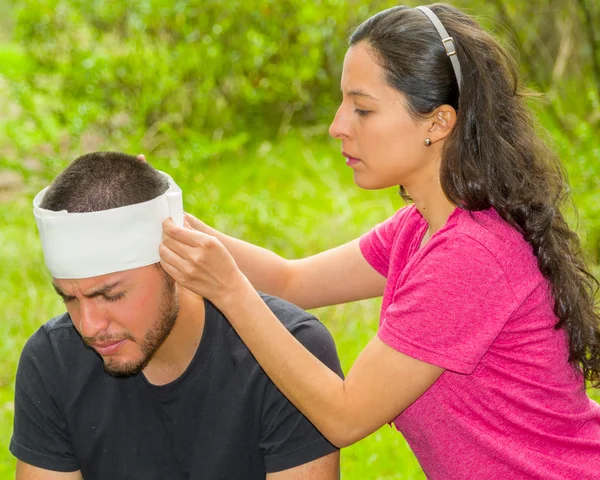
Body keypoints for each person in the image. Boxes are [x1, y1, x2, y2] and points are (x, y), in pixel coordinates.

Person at [158, 4, 600, 479]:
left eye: (362, 108)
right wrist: (164, 216)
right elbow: (291, 280)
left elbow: (344, 415)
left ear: (437, 122)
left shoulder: (471, 255)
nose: (337, 126)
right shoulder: (420, 229)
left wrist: (227, 290)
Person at [10, 152, 343, 480]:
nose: (88, 325)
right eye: (69, 298)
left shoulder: (289, 355)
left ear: (175, 263)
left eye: (111, 295)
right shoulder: (52, 359)